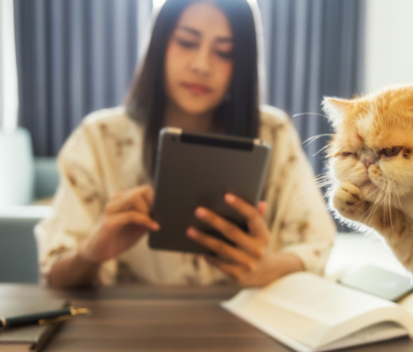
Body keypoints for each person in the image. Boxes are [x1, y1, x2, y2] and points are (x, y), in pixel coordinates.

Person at [35, 0, 336, 288]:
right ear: (159, 45)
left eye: (225, 52)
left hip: (245, 322)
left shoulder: (273, 132)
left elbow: (317, 243)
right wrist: (92, 251)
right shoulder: (99, 137)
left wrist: (267, 268)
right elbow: (54, 271)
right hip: (133, 327)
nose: (201, 65)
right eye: (187, 42)